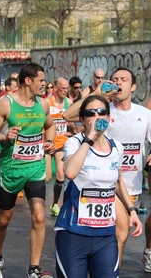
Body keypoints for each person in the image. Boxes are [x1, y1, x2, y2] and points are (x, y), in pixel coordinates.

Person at [63, 67, 151, 269]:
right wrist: (97, 93)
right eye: (115, 79)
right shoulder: (102, 111)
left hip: (131, 186)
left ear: (133, 86)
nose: (119, 83)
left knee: (118, 238)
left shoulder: (144, 115)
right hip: (104, 185)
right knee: (119, 235)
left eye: (124, 79)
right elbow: (68, 115)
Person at [55, 95, 142, 277]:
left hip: (105, 235)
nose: (97, 116)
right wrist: (90, 138)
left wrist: (131, 209)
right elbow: (70, 172)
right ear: (82, 119)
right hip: (74, 233)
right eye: (90, 113)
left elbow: (118, 181)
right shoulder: (75, 143)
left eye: (102, 112)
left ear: (108, 118)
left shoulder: (116, 147)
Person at [0, 62, 56, 278]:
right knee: (4, 220)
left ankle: (34, 268)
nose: (44, 84)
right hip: (10, 170)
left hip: (35, 168)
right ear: (28, 80)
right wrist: (4, 137)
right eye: (41, 80)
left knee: (40, 217)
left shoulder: (43, 104)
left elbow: (50, 126)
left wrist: (49, 142)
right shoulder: (6, 104)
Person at [46, 77, 73, 216]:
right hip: (47, 143)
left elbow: (74, 120)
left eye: (67, 88)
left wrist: (72, 131)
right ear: (55, 88)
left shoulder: (69, 102)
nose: (65, 91)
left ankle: (55, 204)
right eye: (62, 88)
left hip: (62, 143)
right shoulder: (46, 103)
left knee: (61, 173)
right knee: (47, 177)